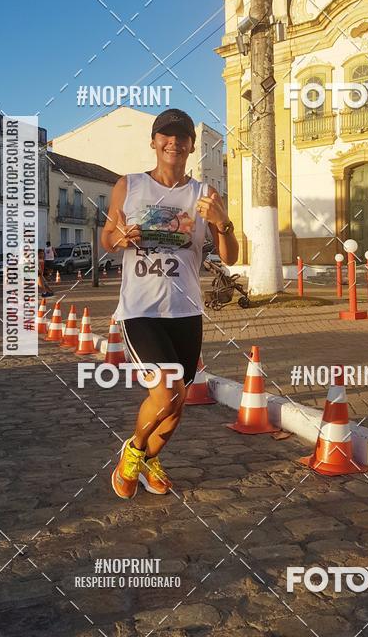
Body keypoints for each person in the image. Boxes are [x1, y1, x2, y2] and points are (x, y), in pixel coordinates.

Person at [101, 108, 238, 499]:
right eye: (166, 135)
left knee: (177, 404)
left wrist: (224, 223)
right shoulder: (129, 185)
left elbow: (230, 256)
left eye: (182, 137)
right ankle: (132, 453)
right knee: (166, 393)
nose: (173, 142)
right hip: (141, 310)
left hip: (186, 311)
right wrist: (119, 239)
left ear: (192, 146)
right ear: (154, 142)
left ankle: (147, 460)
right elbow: (107, 238)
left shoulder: (205, 194)